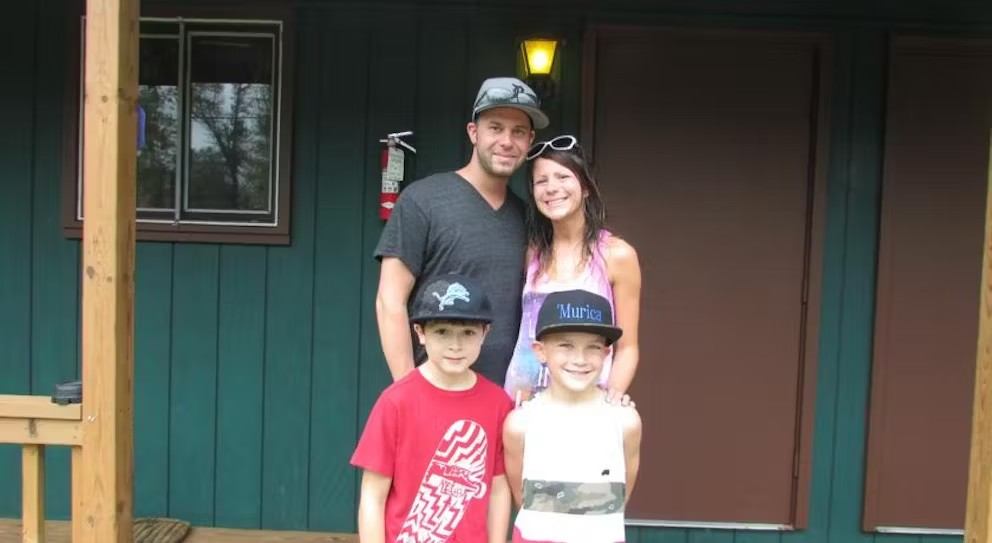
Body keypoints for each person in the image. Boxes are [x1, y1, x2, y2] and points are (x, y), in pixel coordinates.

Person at [374, 77, 550, 386]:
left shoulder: (529, 218)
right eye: (495, 127)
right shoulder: (422, 200)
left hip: (509, 400)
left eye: (518, 131)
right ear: (474, 132)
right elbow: (390, 300)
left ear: (530, 140)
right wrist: (408, 392)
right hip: (439, 396)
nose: (507, 141)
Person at [352, 273, 515, 542]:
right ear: (420, 333)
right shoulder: (395, 402)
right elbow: (372, 496)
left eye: (468, 333)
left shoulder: (498, 403)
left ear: (485, 333)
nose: (455, 345)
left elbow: (498, 489)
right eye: (442, 332)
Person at [503, 135, 642, 405]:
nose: (552, 188)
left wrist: (608, 403)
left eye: (563, 177)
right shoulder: (532, 253)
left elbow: (628, 348)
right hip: (522, 404)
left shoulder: (616, 255)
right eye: (541, 181)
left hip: (586, 403)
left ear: (586, 187)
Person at [503, 289, 642, 543]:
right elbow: (523, 499)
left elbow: (621, 496)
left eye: (593, 347)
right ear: (540, 351)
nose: (579, 359)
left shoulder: (625, 421)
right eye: (566, 345)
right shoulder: (520, 424)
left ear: (606, 353)